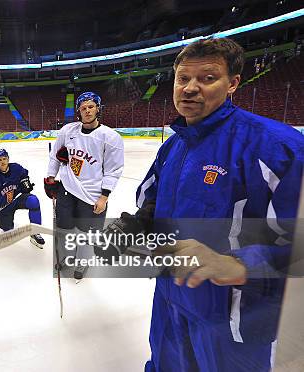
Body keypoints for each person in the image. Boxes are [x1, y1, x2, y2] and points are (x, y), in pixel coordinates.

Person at [113, 38, 302, 371]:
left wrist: (239, 264)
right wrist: (136, 224)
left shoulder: (278, 148)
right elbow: (154, 202)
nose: (190, 88)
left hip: (233, 320)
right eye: (183, 78)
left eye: (207, 78)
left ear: (233, 84)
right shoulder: (172, 148)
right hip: (171, 298)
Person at [44, 91, 124, 280]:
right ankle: (66, 257)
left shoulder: (110, 137)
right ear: (78, 112)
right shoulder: (68, 131)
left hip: (92, 194)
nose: (87, 111)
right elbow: (55, 155)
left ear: (98, 108)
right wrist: (50, 178)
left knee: (87, 233)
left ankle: (83, 262)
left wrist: (104, 196)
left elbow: (114, 169)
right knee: (65, 228)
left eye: (91, 107)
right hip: (67, 189)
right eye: (83, 108)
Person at [0, 149, 44, 248]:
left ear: (8, 159)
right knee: (7, 229)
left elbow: (24, 175)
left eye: (4, 159)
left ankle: (35, 232)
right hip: (4, 205)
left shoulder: (16, 168)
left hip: (18, 198)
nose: (2, 162)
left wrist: (25, 182)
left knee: (33, 201)